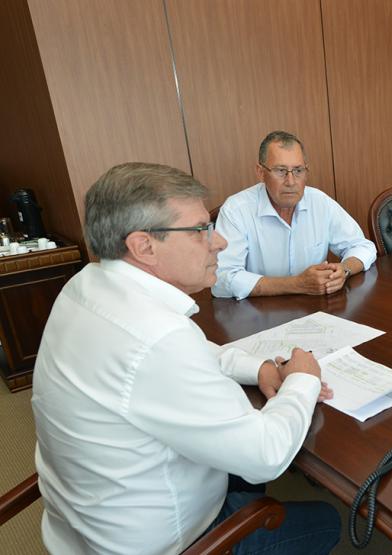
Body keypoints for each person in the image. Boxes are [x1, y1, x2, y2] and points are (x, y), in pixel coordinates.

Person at [31, 163, 340, 555]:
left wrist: (259, 367)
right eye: (200, 230)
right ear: (144, 246)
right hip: (165, 543)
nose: (219, 242)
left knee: (244, 478)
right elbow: (267, 455)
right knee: (327, 521)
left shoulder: (87, 285)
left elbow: (186, 352)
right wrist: (303, 379)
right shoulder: (157, 336)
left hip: (82, 523)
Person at [212, 130, 377, 299]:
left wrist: (344, 270)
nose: (291, 182)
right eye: (280, 171)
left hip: (315, 310)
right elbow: (222, 279)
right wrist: (296, 284)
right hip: (258, 314)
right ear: (261, 172)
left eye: (298, 170)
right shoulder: (236, 210)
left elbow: (363, 246)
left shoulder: (320, 202)